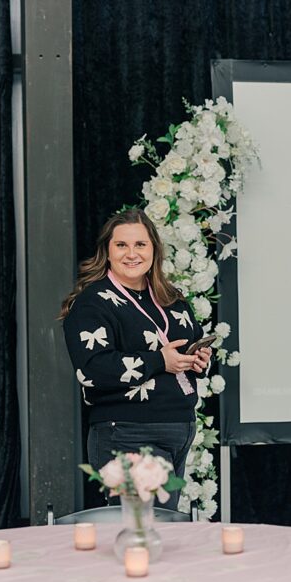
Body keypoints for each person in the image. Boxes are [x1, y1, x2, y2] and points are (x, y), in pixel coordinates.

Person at [59, 208, 212, 508]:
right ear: (107, 251)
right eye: (121, 245)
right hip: (127, 432)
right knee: (142, 534)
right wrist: (159, 361)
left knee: (160, 533)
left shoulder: (171, 298)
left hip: (178, 430)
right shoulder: (92, 303)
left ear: (154, 249)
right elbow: (93, 369)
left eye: (140, 244)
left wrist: (198, 359)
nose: (132, 253)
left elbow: (189, 345)